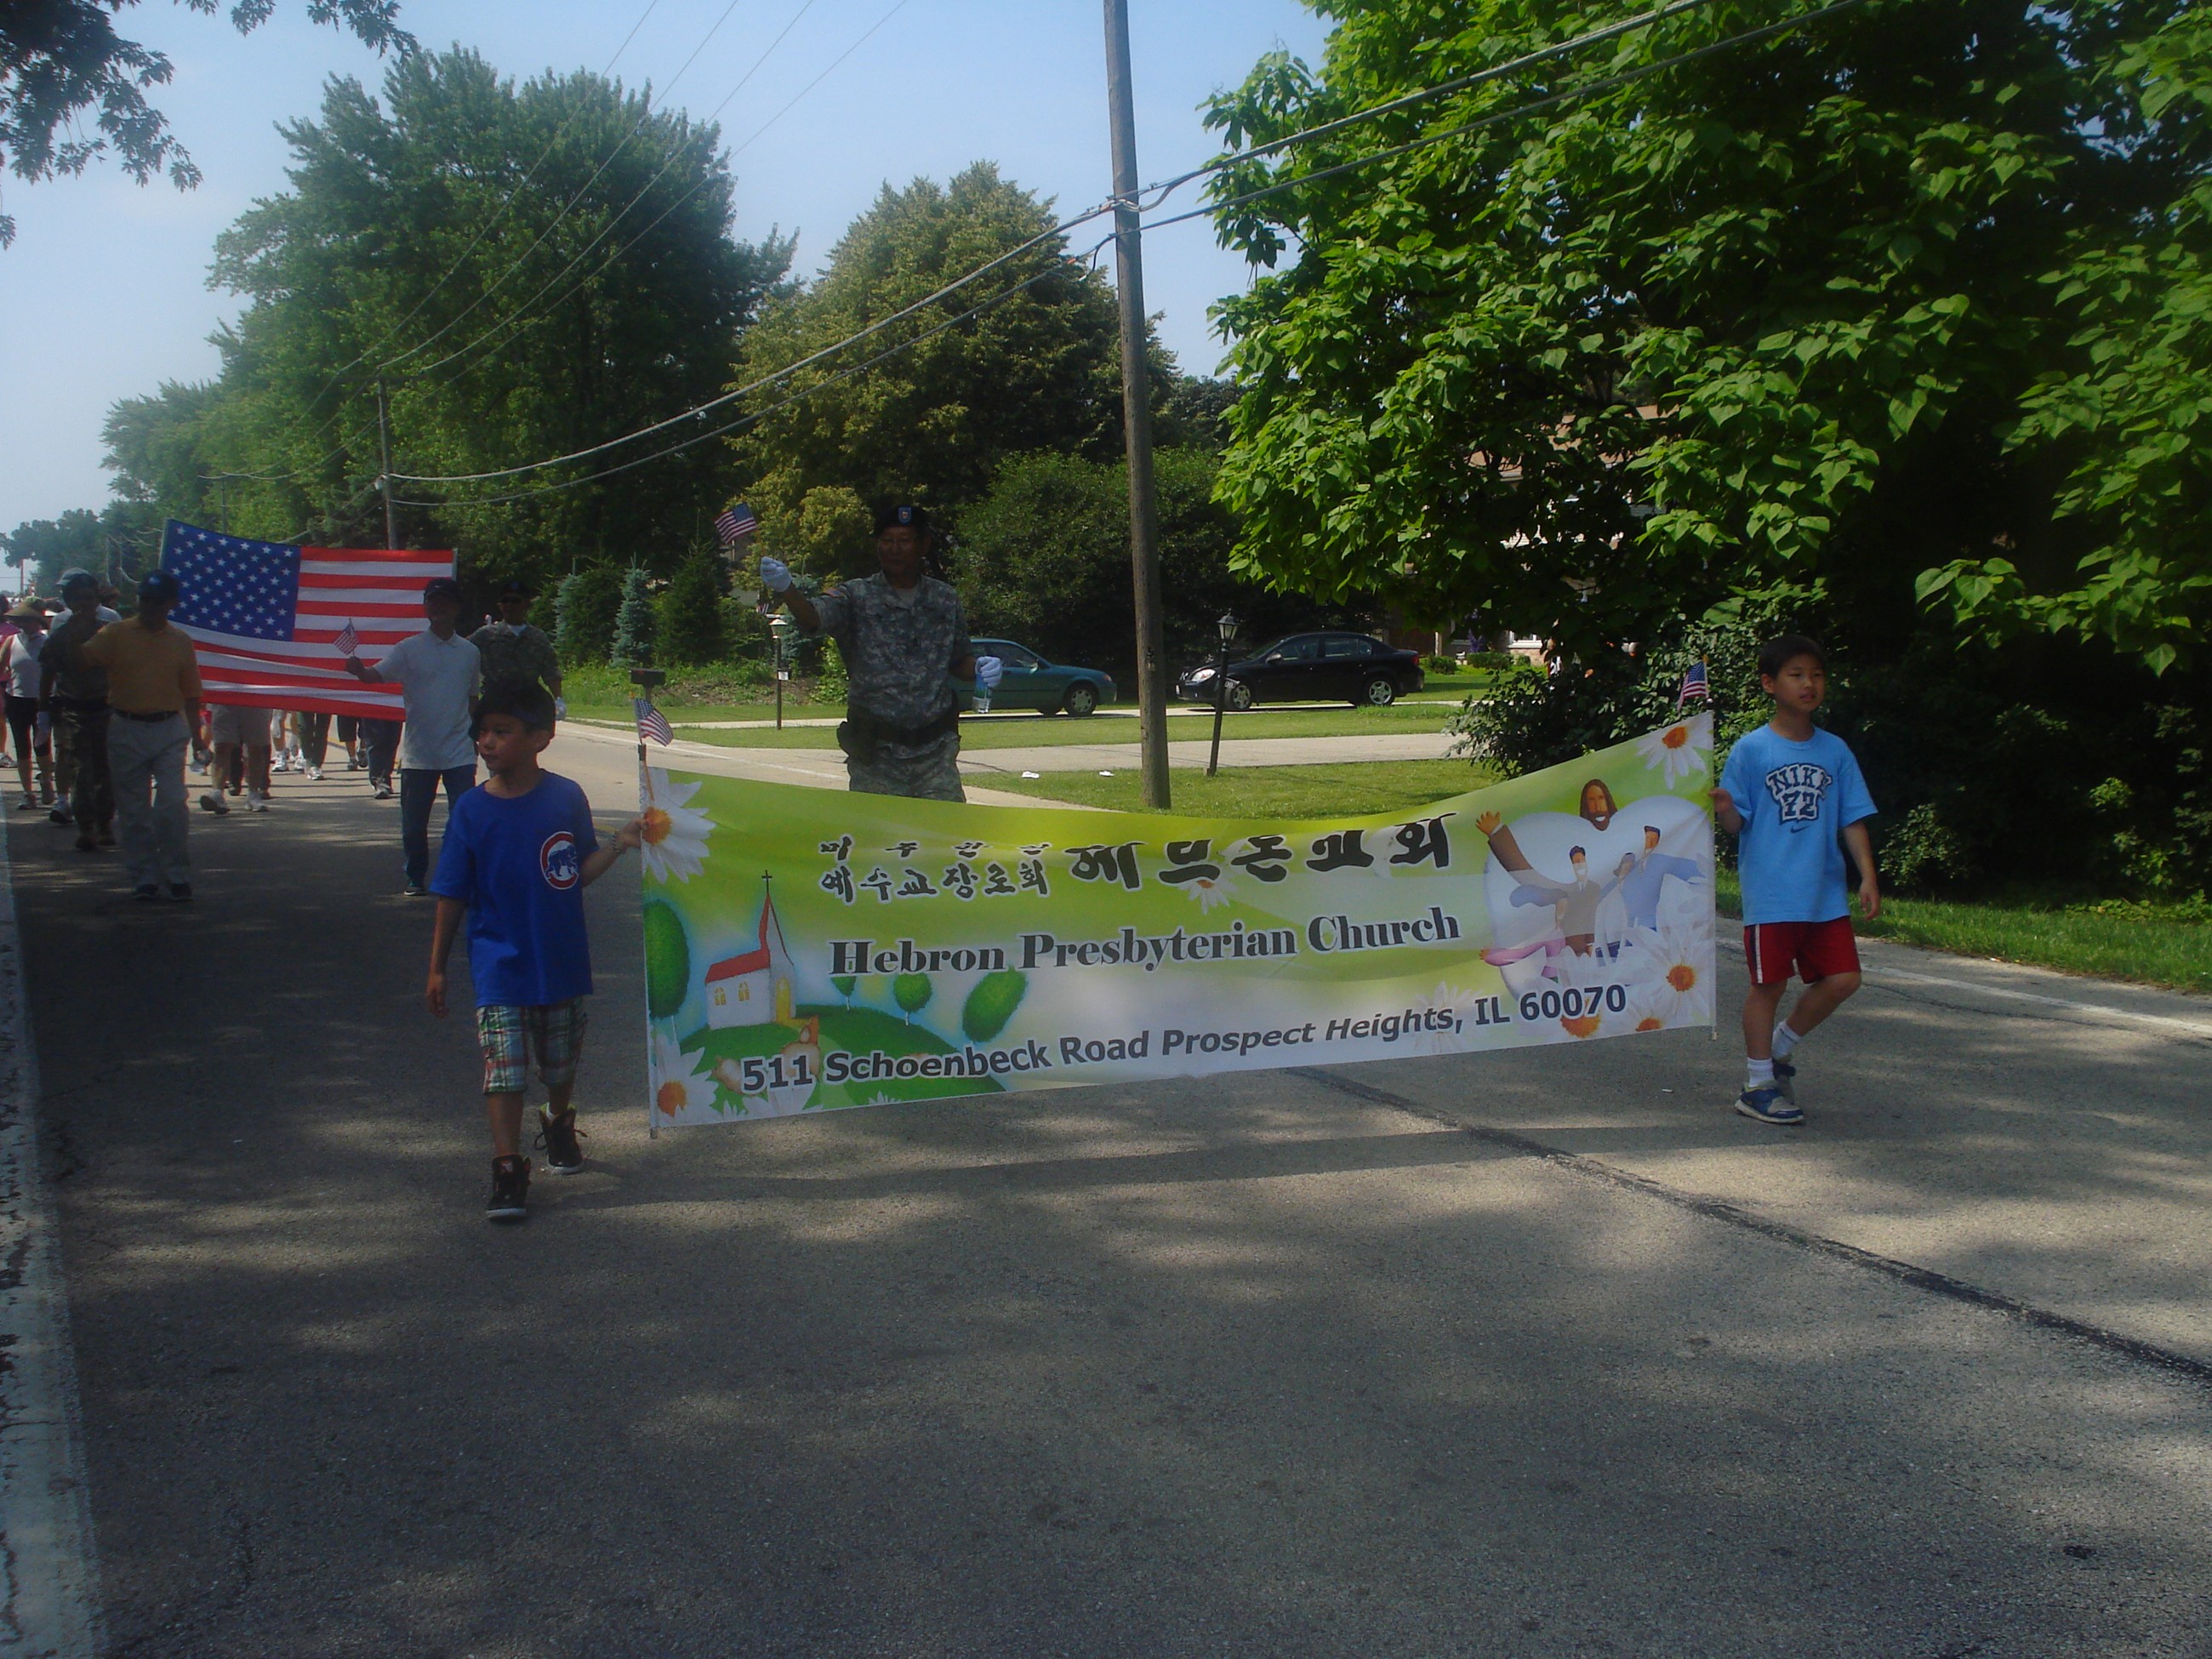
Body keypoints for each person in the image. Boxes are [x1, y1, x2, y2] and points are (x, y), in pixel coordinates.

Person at [425, 676, 642, 1221]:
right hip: (497, 963)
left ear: (542, 737)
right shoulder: (471, 811)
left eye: (502, 732)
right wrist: (437, 969)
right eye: (483, 732)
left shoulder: (565, 797)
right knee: (505, 1069)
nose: (487, 742)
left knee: (559, 1063)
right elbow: (451, 894)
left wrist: (620, 842)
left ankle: (559, 1120)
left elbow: (575, 872)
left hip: (559, 959)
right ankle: (507, 1167)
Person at [1713, 634, 1880, 1127]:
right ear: (1769, 684)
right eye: (1796, 675)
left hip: (1823, 891)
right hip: (1772, 892)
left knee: (1845, 978)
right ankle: (1758, 1084)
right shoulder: (1751, 750)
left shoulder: (1835, 750)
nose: (1809, 684)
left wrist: (1867, 875)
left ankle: (1778, 1051)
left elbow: (1852, 817)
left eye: (1817, 675)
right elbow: (1736, 825)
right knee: (1769, 984)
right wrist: (1725, 809)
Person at [761, 504, 1000, 801]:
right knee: (877, 843)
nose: (895, 549)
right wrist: (788, 590)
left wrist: (978, 668)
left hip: (934, 753)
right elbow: (813, 619)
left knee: (944, 838)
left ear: (923, 544)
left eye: (904, 540)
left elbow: (957, 660)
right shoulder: (856, 596)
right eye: (887, 541)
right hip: (876, 755)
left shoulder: (944, 599)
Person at [345, 576, 481, 894]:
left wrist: (478, 736)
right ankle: (415, 876)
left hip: (459, 752)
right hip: (420, 754)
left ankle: (456, 875)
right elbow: (375, 676)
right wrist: (359, 671)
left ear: (457, 607)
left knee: (463, 821)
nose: (438, 607)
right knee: (413, 827)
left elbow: (473, 696)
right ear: (425, 608)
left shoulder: (470, 652)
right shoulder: (408, 649)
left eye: (445, 601)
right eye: (432, 601)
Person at [84, 569, 202, 901]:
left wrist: (199, 738)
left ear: (171, 604)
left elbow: (192, 693)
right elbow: (81, 659)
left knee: (171, 804)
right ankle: (145, 876)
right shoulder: (115, 634)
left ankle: (177, 873)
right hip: (126, 726)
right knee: (133, 810)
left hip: (168, 728)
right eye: (145, 600)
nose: (150, 606)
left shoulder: (180, 641)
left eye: (157, 601)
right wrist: (78, 621)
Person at [39, 573, 116, 853]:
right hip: (72, 710)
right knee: (81, 770)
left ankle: (105, 821)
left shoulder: (109, 632)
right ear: (69, 602)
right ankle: (86, 826)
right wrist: (43, 712)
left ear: (98, 601)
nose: (85, 604)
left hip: (106, 708)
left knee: (106, 768)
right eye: (79, 599)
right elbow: (47, 673)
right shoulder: (60, 636)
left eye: (90, 598)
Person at [470, 579, 563, 708]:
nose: (510, 605)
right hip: (494, 703)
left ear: (526, 604)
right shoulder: (485, 635)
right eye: (505, 601)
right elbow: (465, 660)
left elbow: (551, 671)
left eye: (515, 601)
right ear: (499, 605)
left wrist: (558, 699)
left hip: (528, 704)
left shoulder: (537, 637)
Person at [3, 601, 54, 813]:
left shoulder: (47, 642)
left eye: (27, 620)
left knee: (42, 746)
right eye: (20, 620)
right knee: (22, 747)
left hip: (42, 700)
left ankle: (47, 783)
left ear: (37, 621)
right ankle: (28, 793)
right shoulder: (11, 641)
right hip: (17, 699)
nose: (23, 624)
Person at [1615, 825, 1704, 931]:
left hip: (1649, 921)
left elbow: (1689, 868)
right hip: (1625, 919)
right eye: (1648, 839)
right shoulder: (1633, 860)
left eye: (1653, 839)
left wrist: (1703, 879)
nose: (1650, 842)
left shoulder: (1660, 860)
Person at [200, 702, 273, 814]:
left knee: (256, 748)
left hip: (256, 701)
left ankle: (253, 795)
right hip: (224, 700)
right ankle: (217, 793)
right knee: (222, 747)